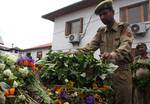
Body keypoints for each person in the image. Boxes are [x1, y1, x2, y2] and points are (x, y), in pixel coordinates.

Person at [75, 0, 134, 104]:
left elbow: (126, 45)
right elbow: (90, 47)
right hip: (106, 75)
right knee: (106, 100)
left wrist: (112, 55)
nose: (102, 17)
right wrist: (74, 53)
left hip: (122, 74)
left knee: (123, 101)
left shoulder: (123, 27)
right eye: (100, 15)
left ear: (113, 12)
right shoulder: (101, 31)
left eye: (105, 13)